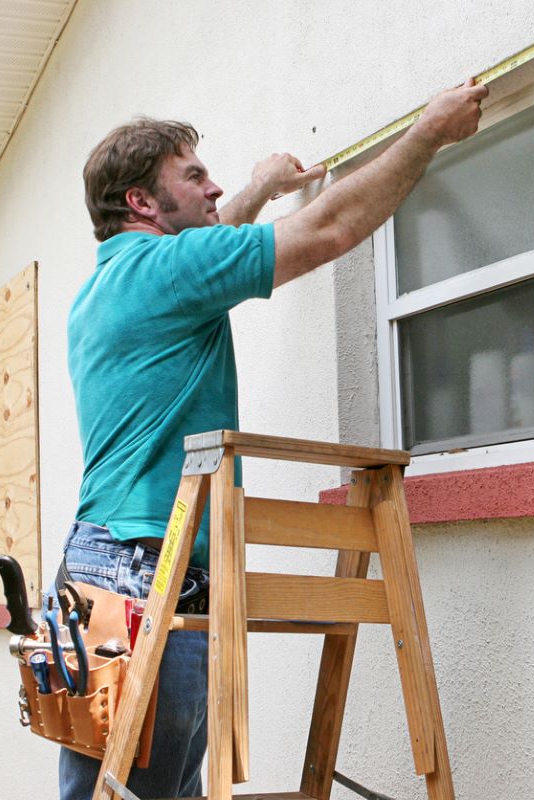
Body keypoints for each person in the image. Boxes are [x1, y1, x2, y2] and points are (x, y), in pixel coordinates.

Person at [59, 77, 488, 799]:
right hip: (148, 571)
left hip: (98, 566)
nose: (213, 187)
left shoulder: (107, 284)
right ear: (141, 202)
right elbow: (327, 231)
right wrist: (428, 133)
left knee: (108, 789)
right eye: (193, 176)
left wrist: (259, 186)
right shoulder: (168, 269)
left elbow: (213, 244)